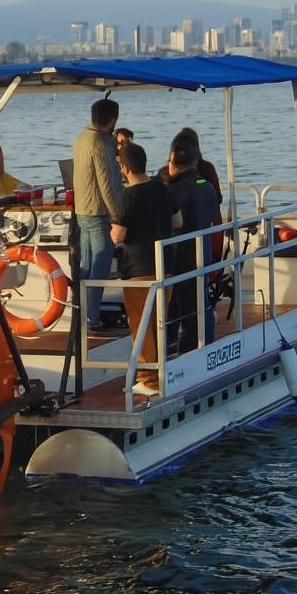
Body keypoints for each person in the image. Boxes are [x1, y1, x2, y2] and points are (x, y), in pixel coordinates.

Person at [112, 142, 181, 394]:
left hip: (138, 266)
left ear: (124, 167)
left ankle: (147, 379)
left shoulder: (127, 196)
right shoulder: (162, 189)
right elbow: (178, 220)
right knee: (158, 321)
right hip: (165, 263)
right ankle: (161, 373)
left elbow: (118, 235)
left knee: (141, 325)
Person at [71, 98, 127, 328]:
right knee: (100, 265)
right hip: (97, 211)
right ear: (113, 119)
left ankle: (80, 314)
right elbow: (107, 184)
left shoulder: (82, 138)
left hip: (82, 209)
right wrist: (118, 215)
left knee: (85, 266)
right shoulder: (101, 145)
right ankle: (91, 317)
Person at [163, 134, 219, 351]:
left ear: (173, 162)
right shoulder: (205, 185)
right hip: (202, 248)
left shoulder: (175, 190)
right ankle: (203, 343)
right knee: (200, 301)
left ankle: (184, 346)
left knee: (181, 304)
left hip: (181, 253)